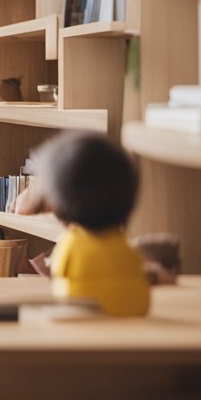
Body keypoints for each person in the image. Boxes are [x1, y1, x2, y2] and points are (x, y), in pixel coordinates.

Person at [21, 131, 150, 316]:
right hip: (133, 317)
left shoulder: (71, 245)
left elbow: (57, 273)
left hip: (80, 318)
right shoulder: (128, 248)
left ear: (58, 204)